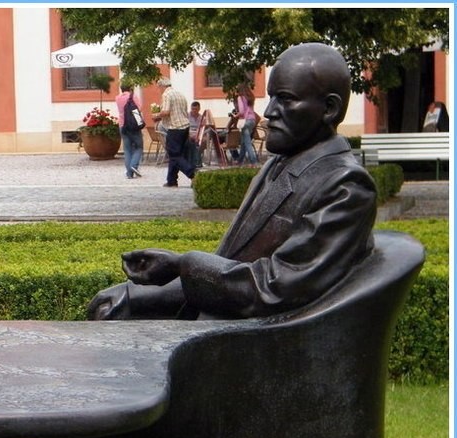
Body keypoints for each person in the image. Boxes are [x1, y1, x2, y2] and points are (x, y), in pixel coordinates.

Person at [88, 42, 376, 322]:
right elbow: (235, 268)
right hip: (220, 318)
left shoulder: (346, 186)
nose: (270, 111)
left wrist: (182, 265)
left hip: (254, 339)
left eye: (286, 99)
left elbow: (274, 287)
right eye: (271, 97)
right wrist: (137, 295)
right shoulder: (280, 163)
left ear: (329, 109)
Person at [156, 77, 197, 187]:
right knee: (176, 154)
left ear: (162, 86)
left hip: (175, 127)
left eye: (159, 88)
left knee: (174, 155)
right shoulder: (180, 94)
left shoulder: (166, 95)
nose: (159, 90)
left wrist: (156, 115)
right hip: (185, 126)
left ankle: (193, 174)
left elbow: (166, 111)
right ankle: (172, 180)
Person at [116, 83, 144, 178]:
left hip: (122, 125)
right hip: (133, 125)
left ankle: (129, 173)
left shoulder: (117, 98)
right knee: (139, 147)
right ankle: (134, 165)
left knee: (127, 149)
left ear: (121, 89)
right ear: (130, 88)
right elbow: (139, 108)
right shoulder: (133, 97)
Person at [234, 83, 258, 165]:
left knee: (247, 142)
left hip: (245, 121)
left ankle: (253, 161)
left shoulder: (240, 98)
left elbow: (241, 112)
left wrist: (235, 115)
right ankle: (240, 160)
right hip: (252, 120)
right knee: (244, 141)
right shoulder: (251, 97)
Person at [187, 101, 204, 168]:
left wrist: (198, 136)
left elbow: (202, 129)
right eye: (192, 109)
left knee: (200, 142)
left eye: (196, 109)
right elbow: (185, 128)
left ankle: (196, 162)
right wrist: (190, 136)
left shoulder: (202, 118)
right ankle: (196, 162)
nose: (194, 111)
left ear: (199, 109)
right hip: (189, 135)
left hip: (198, 136)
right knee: (191, 142)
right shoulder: (187, 116)